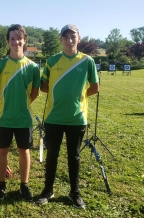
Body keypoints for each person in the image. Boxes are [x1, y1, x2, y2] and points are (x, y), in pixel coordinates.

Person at [36, 24, 100, 209]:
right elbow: (44, 86)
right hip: (53, 117)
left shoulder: (87, 61)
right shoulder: (52, 60)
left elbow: (95, 87)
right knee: (52, 156)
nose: (69, 40)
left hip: (76, 118)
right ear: (61, 40)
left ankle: (75, 192)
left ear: (78, 38)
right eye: (65, 37)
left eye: (73, 36)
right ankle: (48, 190)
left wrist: (76, 97)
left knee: (74, 156)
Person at [0, 24, 40, 202]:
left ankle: (24, 185)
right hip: (4, 117)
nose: (16, 42)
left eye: (19, 38)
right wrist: (7, 105)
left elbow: (35, 92)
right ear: (8, 41)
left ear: (24, 40)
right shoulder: (1, 65)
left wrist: (22, 105)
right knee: (2, 151)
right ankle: (1, 184)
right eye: (12, 38)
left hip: (24, 118)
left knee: (24, 152)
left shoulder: (33, 67)